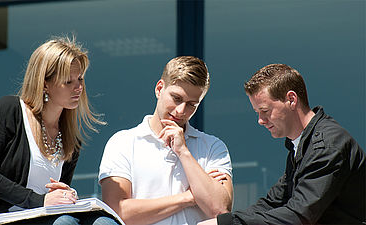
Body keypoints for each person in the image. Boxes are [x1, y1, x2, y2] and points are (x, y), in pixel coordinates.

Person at [0, 37, 118, 225]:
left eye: (80, 79)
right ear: (45, 83)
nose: (78, 87)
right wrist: (39, 200)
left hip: (39, 219)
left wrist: (65, 194)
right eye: (68, 82)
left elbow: (54, 196)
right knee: (65, 223)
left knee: (104, 222)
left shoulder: (70, 140)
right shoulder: (9, 110)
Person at [198, 64, 366, 225]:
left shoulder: (326, 145)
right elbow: (272, 202)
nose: (260, 121)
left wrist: (227, 223)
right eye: (257, 113)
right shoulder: (301, 145)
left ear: (291, 99)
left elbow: (298, 216)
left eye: (265, 111)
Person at [98, 56, 234, 225]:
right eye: (176, 98)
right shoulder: (123, 143)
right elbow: (117, 212)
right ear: (159, 88)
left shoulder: (213, 147)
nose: (181, 111)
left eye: (192, 104)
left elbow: (220, 210)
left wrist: (183, 152)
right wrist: (189, 197)